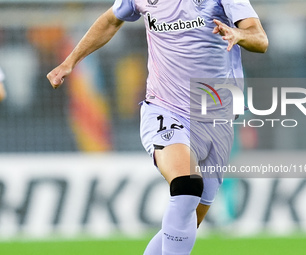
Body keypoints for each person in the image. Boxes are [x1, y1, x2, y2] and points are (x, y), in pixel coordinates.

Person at [47, 0, 268, 254]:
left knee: (186, 221)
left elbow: (260, 39)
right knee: (187, 185)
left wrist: (239, 34)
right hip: (165, 109)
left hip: (215, 119)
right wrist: (70, 62)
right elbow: (110, 20)